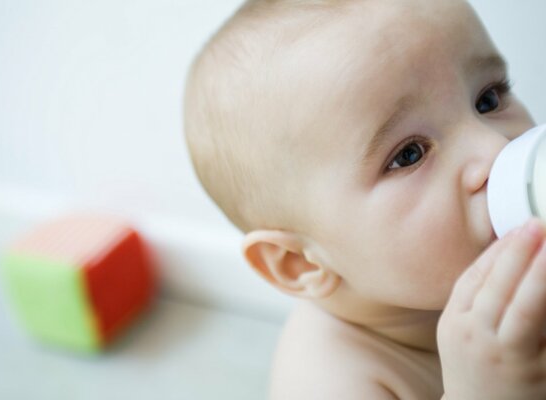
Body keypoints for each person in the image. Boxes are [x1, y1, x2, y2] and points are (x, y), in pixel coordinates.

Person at [183, 0, 546, 398]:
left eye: (488, 99)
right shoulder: (328, 379)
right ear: (301, 263)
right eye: (409, 154)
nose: (495, 147)